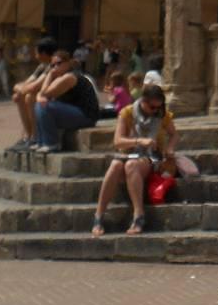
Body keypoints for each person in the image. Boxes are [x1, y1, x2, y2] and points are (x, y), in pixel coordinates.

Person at [91, 83, 176, 238]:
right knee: (115, 165)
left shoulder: (163, 115)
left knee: (131, 166)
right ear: (142, 101)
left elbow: (173, 134)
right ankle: (99, 215)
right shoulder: (127, 113)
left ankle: (139, 214)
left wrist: (170, 148)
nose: (155, 111)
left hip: (151, 156)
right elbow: (118, 141)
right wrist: (139, 141)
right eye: (152, 107)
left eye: (159, 107)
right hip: (130, 152)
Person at [32, 49, 100, 152]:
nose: (55, 67)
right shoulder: (60, 77)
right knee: (39, 105)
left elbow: (45, 92)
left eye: (58, 63)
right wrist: (39, 97)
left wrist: (49, 75)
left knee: (44, 106)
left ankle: (52, 143)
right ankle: (41, 142)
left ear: (68, 63)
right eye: (52, 65)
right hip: (74, 112)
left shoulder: (70, 77)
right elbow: (42, 95)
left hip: (87, 116)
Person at [8, 36, 58, 151]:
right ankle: (28, 136)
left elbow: (34, 86)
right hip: (45, 97)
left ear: (44, 53)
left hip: (56, 99)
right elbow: (28, 83)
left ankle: (35, 137)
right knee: (20, 97)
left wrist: (19, 88)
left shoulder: (53, 66)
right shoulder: (42, 66)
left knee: (29, 97)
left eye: (37, 52)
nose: (35, 55)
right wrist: (20, 89)